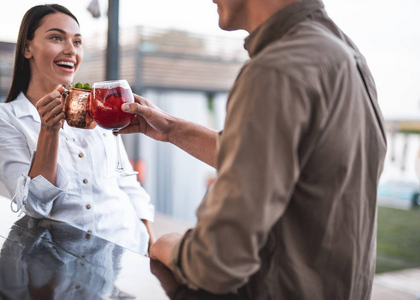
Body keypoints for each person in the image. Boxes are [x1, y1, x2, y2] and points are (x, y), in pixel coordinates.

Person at [118, 0, 387, 298]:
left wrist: (165, 245)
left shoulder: (277, 68)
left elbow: (216, 261)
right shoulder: (343, 53)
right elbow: (275, 162)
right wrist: (171, 129)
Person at [0, 4, 155, 255]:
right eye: (56, 37)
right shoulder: (3, 117)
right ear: (27, 47)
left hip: (128, 249)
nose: (70, 50)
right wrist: (48, 130)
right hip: (62, 263)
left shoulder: (98, 106)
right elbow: (35, 204)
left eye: (77, 41)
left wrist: (150, 241)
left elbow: (127, 183)